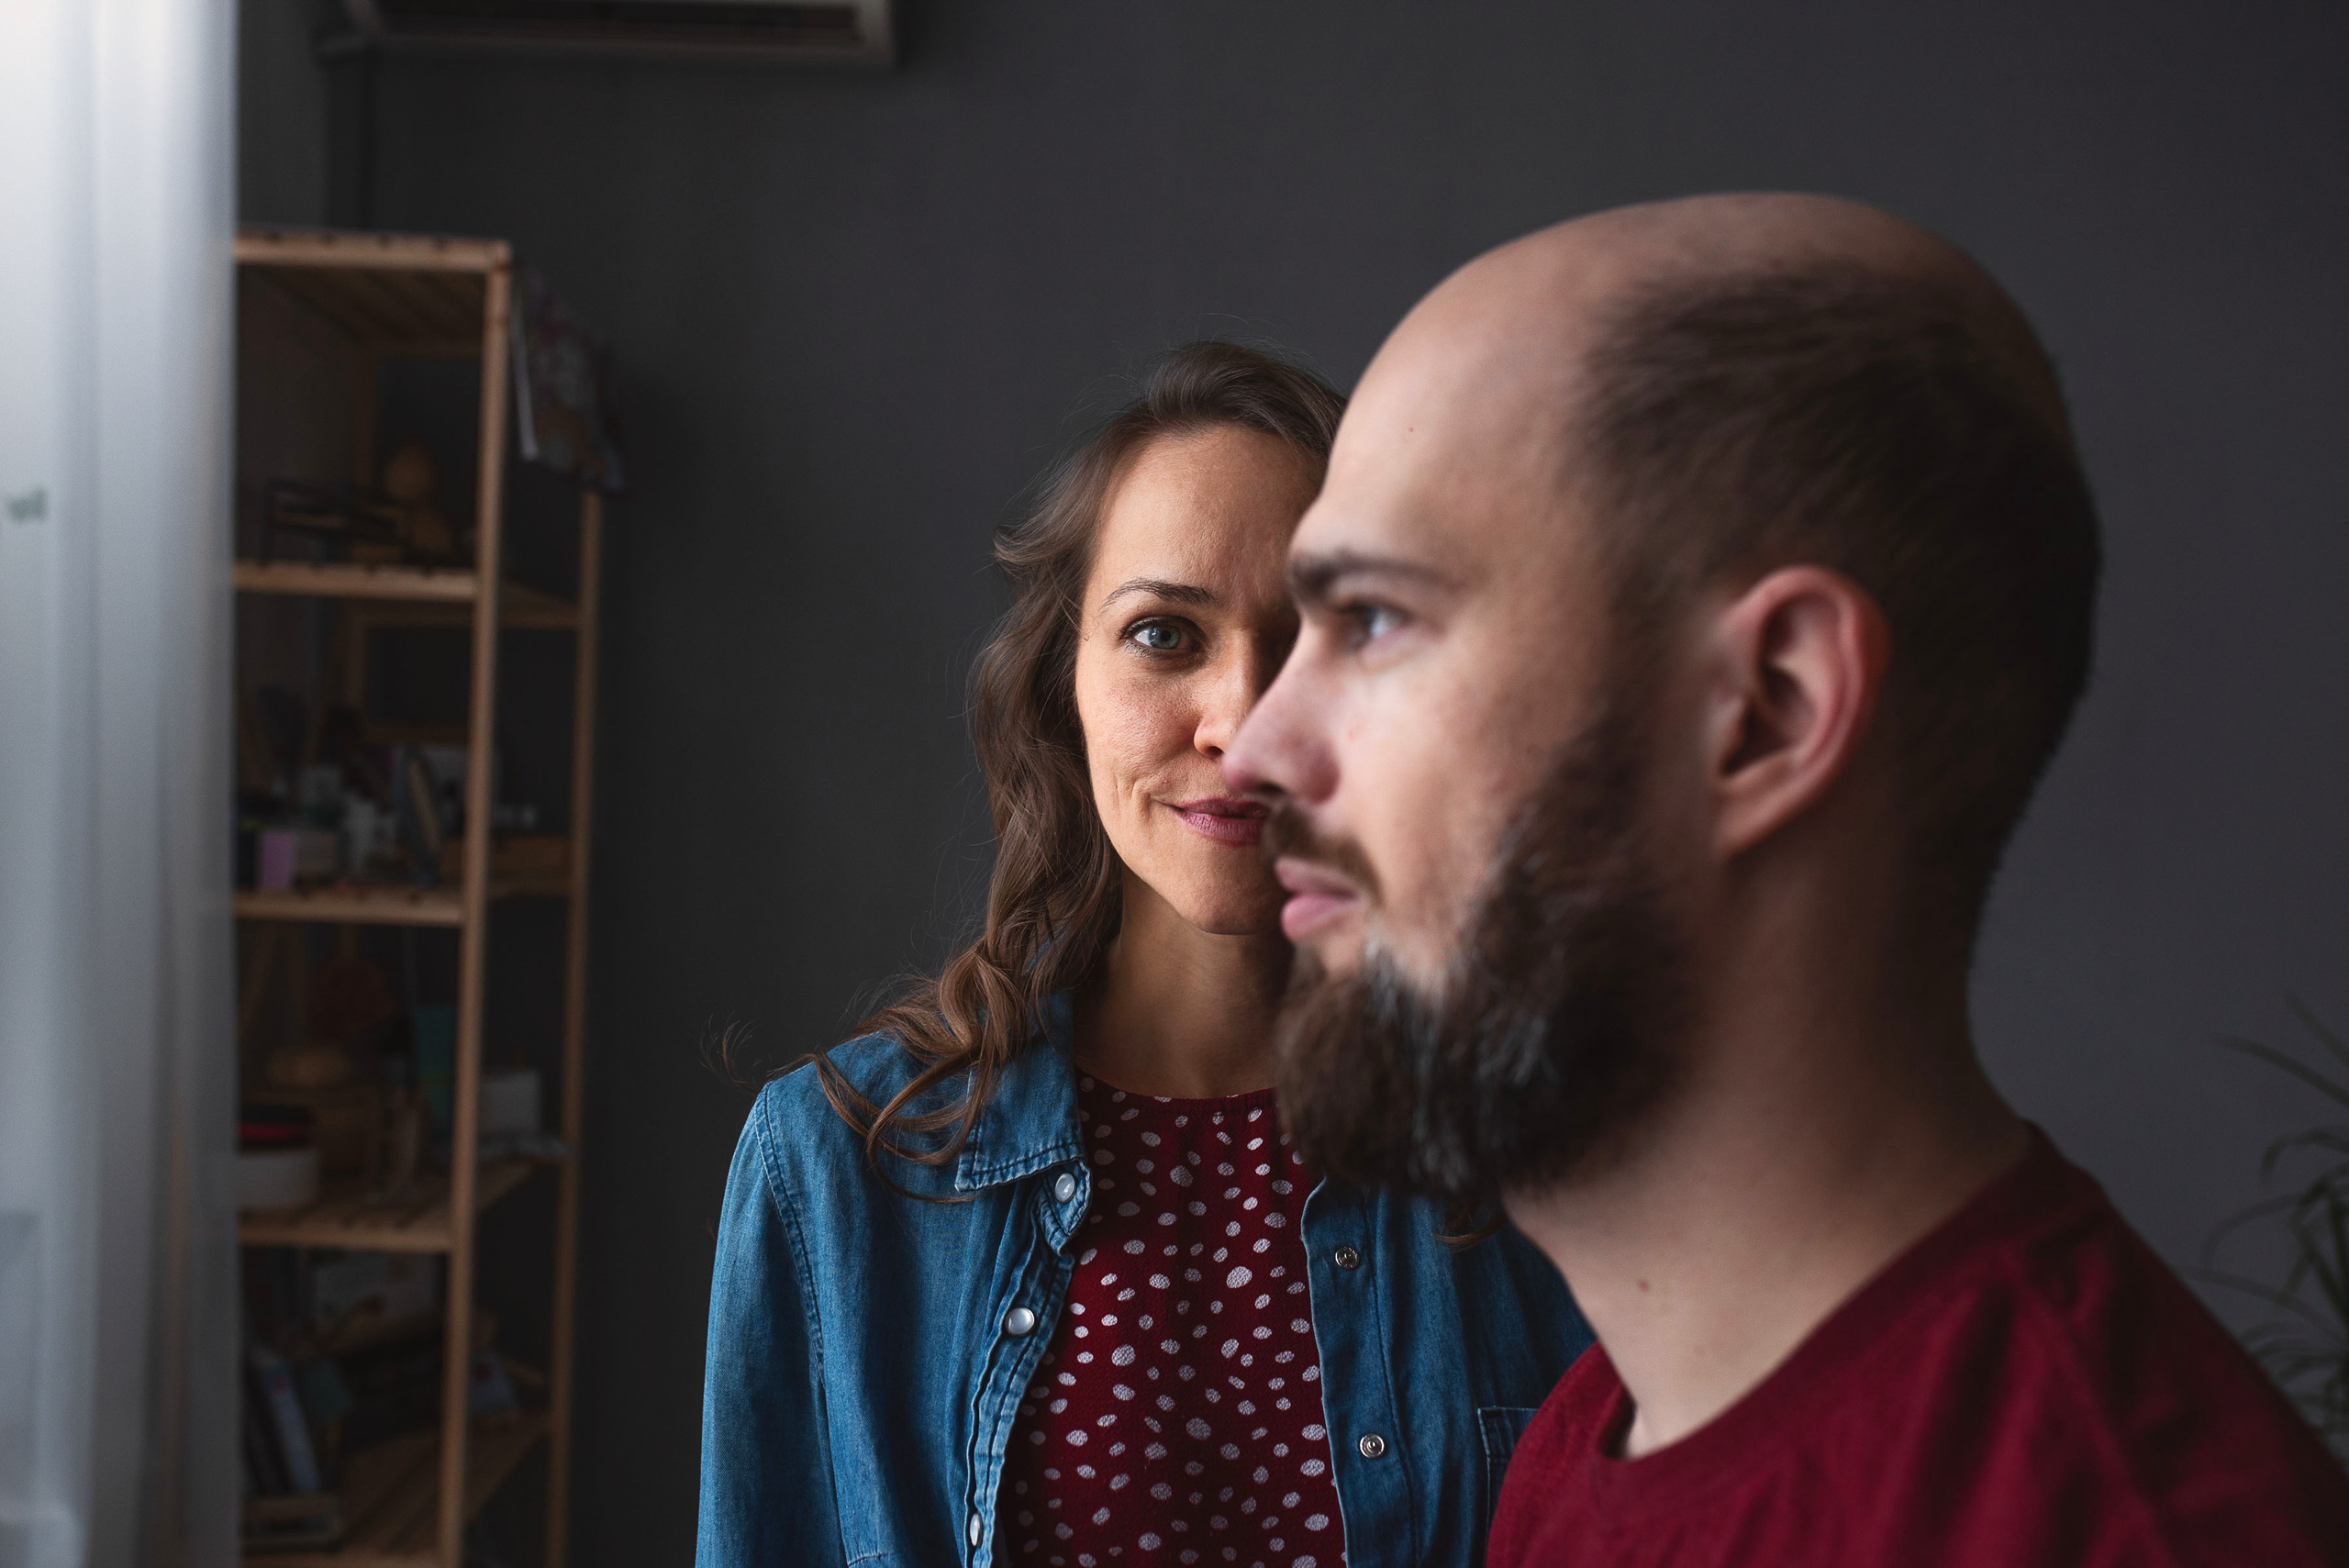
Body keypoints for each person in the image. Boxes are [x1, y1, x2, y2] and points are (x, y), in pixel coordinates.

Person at [1222, 194, 2349, 1566]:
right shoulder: (1600, 1432)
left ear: (1765, 705)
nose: (1258, 745)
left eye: (1375, 618)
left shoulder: (2125, 1529)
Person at [696, 341, 1590, 1568]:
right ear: (1065, 682)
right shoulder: (837, 1175)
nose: (1244, 725)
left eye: (1322, 639)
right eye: (1167, 633)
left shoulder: (1529, 1156)